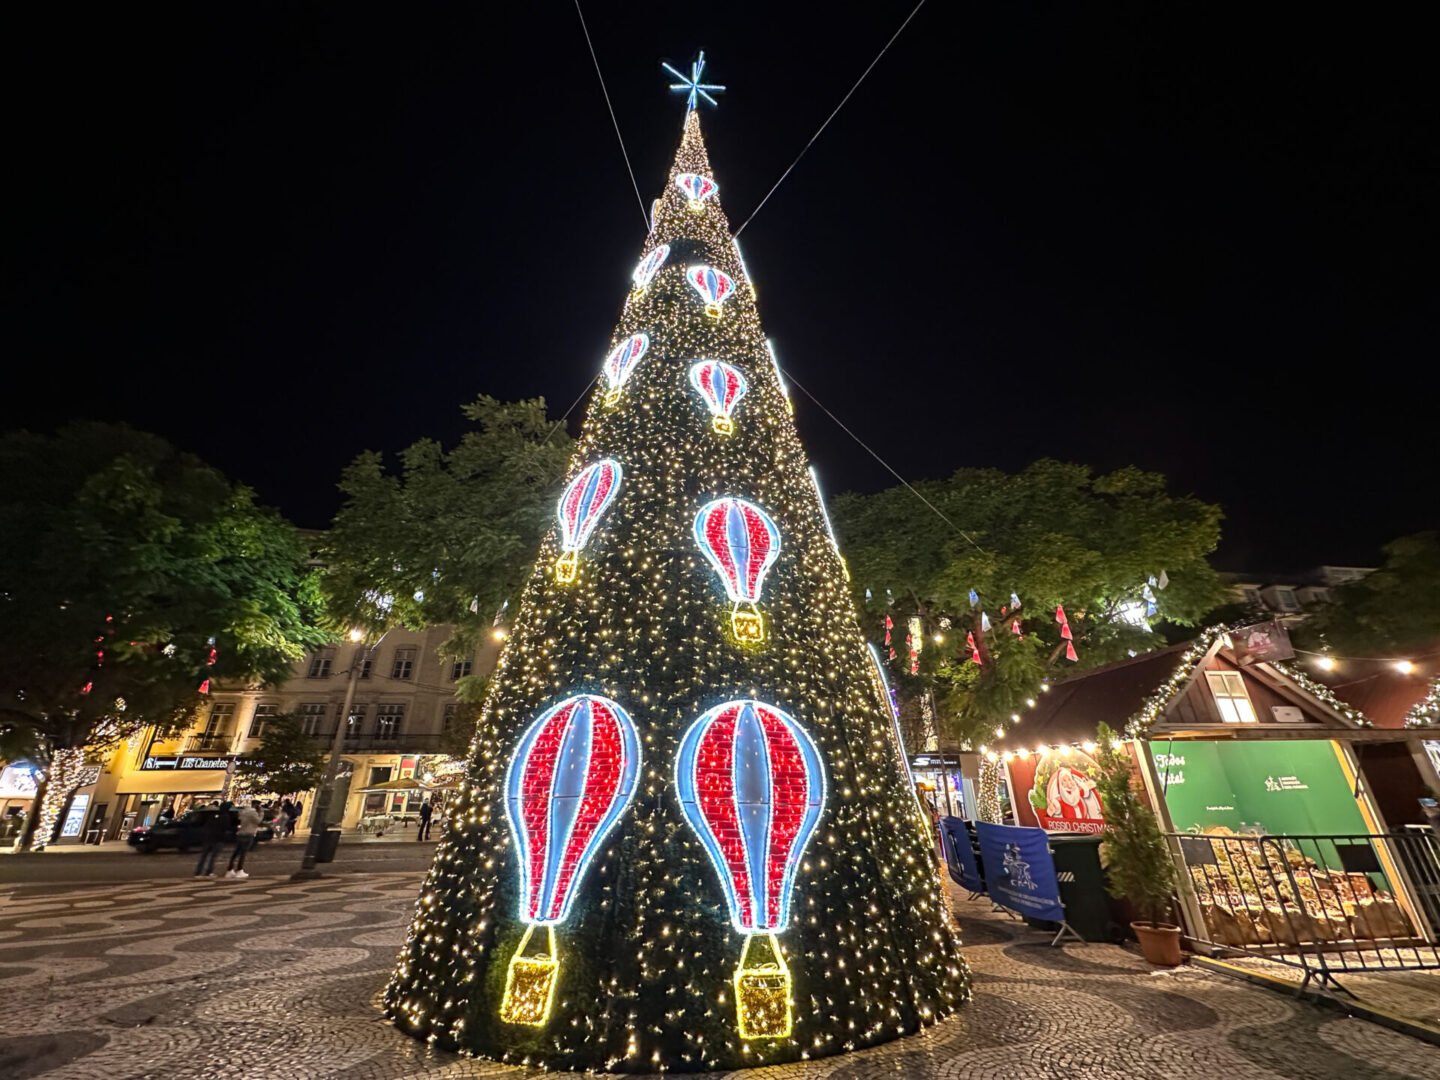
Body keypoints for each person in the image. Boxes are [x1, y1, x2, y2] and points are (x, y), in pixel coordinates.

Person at [225, 802, 262, 879]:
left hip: (241, 833)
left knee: (236, 852)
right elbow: (258, 821)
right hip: (249, 834)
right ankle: (239, 870)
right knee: (243, 853)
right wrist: (261, 813)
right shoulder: (253, 813)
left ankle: (230, 870)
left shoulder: (242, 812)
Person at [194, 805, 228, 878]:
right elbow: (224, 828)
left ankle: (198, 872)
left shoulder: (207, 819)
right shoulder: (222, 818)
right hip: (217, 839)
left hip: (208, 838)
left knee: (204, 856)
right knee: (212, 857)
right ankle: (208, 872)